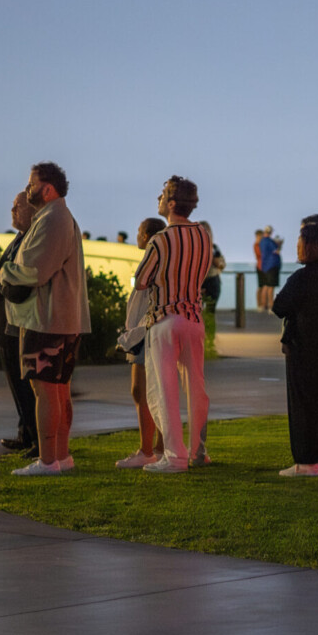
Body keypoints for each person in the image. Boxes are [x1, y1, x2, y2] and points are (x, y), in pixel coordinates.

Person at [2, 162, 93, 476]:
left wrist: (5, 272)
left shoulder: (52, 219)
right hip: (60, 320)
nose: (27, 189)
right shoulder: (58, 217)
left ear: (48, 188)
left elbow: (33, 270)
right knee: (58, 390)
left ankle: (48, 460)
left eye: (31, 183)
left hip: (46, 320)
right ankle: (61, 456)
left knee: (46, 391)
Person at [131, 175, 212, 473]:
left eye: (163, 195)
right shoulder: (203, 235)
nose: (159, 199)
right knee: (196, 388)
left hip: (165, 319)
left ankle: (174, 456)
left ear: (172, 203)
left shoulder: (161, 239)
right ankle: (196, 451)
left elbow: (141, 280)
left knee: (165, 389)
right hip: (194, 317)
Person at [272, 221, 318, 477]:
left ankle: (305, 461)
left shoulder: (302, 277)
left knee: (302, 403)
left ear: (308, 246)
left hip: (302, 346)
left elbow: (280, 306)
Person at [0, 190, 39, 456]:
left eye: (18, 206)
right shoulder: (19, 238)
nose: (13, 210)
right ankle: (25, 433)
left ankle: (37, 440)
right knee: (16, 382)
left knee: (26, 383)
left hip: (18, 322)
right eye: (13, 206)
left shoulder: (33, 240)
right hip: (6, 322)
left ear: (33, 210)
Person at [114, 217, 167, 468]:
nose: (137, 235)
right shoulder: (162, 261)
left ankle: (147, 450)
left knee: (141, 390)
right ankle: (159, 446)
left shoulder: (151, 263)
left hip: (144, 333)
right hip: (148, 331)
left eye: (139, 231)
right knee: (154, 390)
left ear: (147, 236)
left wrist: (133, 333)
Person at [257, 226, 281, 312]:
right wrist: (278, 244)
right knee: (271, 287)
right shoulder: (270, 242)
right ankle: (271, 306)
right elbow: (276, 251)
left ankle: (263, 305)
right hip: (272, 266)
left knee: (265, 286)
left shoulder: (262, 241)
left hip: (265, 266)